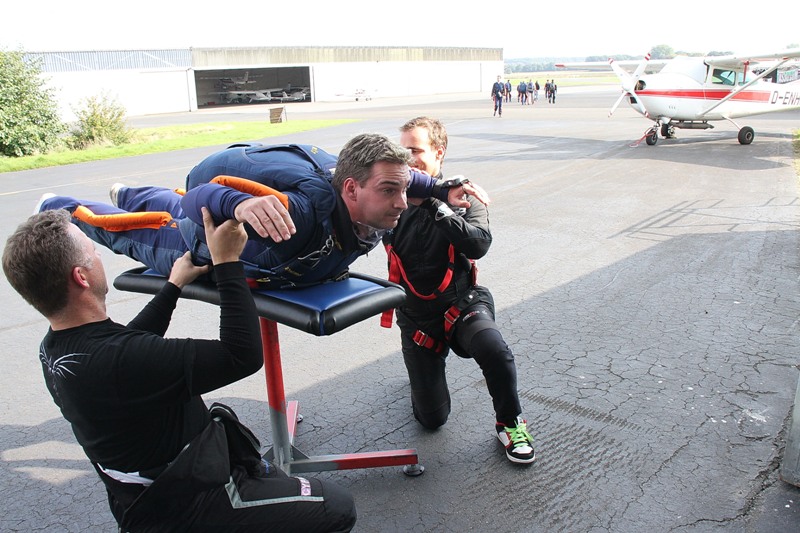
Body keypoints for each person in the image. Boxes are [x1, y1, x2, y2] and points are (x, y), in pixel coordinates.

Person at [2, 208, 357, 531]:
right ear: (81, 277)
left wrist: (173, 286)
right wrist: (227, 261)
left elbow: (129, 344)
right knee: (337, 506)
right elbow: (240, 355)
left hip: (143, 500)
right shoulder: (122, 359)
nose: (98, 256)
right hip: (194, 501)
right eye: (93, 252)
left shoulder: (56, 349)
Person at [36, 134, 485, 289]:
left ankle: (129, 191)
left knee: (163, 203)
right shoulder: (298, 215)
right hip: (202, 239)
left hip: (235, 219)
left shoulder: (372, 184)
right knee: (134, 229)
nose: (402, 202)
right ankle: (61, 206)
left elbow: (406, 179)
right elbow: (199, 196)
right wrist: (242, 204)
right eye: (390, 192)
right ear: (351, 188)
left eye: (402, 190)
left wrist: (441, 187)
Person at [383, 116, 536, 464]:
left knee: (494, 349)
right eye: (402, 151)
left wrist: (434, 203)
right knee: (431, 420)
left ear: (439, 152)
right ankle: (421, 380)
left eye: (415, 150)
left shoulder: (462, 197)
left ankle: (510, 424)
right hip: (417, 319)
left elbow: (479, 244)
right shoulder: (392, 199)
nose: (407, 158)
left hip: (462, 305)